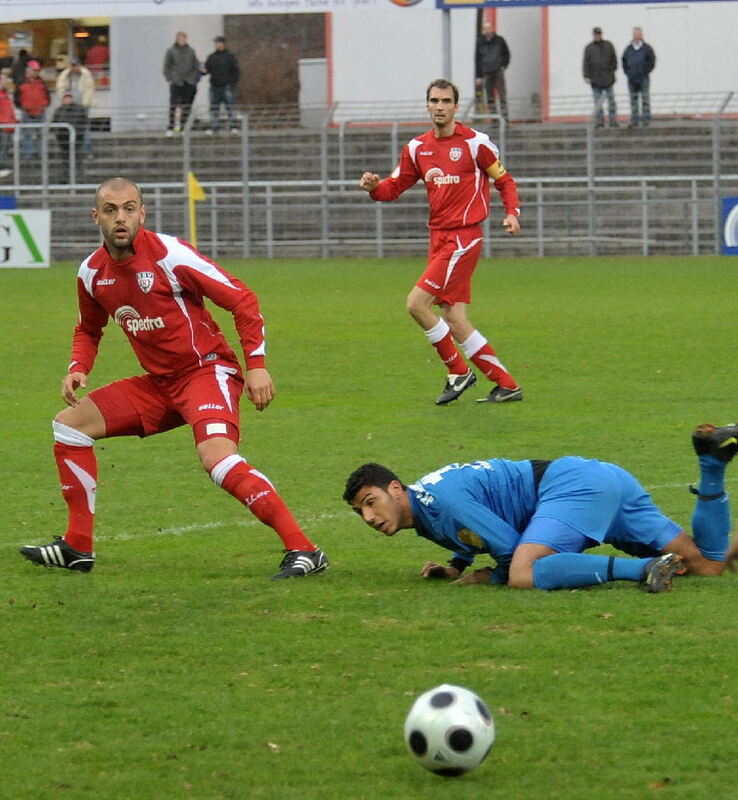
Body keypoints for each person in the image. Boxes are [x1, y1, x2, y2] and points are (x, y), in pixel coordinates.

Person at [19, 177, 328, 581]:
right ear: (96, 217)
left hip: (207, 372)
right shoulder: (92, 272)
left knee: (216, 458)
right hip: (160, 384)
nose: (121, 217)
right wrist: (78, 367)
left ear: (142, 214)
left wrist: (256, 364)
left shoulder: (171, 254)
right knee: (69, 428)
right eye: (111, 210)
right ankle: (77, 546)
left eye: (130, 208)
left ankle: (305, 549)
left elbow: (242, 299)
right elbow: (88, 329)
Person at [343, 422, 736, 592]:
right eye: (361, 513)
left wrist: (491, 577)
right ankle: (711, 463)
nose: (370, 517)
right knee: (708, 565)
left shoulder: (441, 500)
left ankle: (644, 569)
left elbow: (507, 544)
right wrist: (456, 565)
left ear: (396, 489)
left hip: (571, 488)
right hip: (602, 480)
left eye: (370, 502)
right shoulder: (427, 500)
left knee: (522, 572)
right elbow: (468, 528)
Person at [358, 79, 522, 406]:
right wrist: (373, 187)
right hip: (439, 238)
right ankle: (506, 384)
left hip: (463, 238)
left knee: (417, 304)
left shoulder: (476, 144)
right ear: (427, 105)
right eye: (434, 100)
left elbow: (504, 180)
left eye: (446, 101)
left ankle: (458, 371)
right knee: (456, 320)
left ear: (456, 107)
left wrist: (512, 212)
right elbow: (393, 188)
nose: (440, 106)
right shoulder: (418, 149)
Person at [55, 57, 95, 158]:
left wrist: (85, 103)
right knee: (69, 129)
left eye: (75, 65)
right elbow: (60, 87)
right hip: (70, 106)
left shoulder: (86, 74)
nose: (74, 68)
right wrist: (64, 99)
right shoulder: (65, 75)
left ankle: (87, 150)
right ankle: (71, 150)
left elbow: (89, 89)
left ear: (79, 65)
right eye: (72, 65)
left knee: (84, 128)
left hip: (82, 106)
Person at [163, 32, 200, 136]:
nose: (182, 40)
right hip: (176, 82)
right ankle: (171, 126)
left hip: (188, 82)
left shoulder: (191, 51)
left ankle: (183, 127)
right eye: (180, 38)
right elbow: (167, 66)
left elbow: (195, 66)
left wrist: (192, 79)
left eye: (183, 38)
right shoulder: (171, 51)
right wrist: (170, 78)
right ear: (177, 39)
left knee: (187, 105)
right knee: (173, 105)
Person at [474, 19, 510, 122]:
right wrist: (478, 76)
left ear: (492, 29)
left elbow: (506, 54)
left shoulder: (500, 40)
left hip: (498, 71)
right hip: (486, 72)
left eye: (489, 28)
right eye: (485, 28)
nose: (487, 30)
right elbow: (477, 59)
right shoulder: (480, 42)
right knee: (489, 97)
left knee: (502, 96)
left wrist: (504, 65)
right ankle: (494, 120)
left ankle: (505, 119)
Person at [204, 35, 240, 135]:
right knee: (214, 108)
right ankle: (214, 128)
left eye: (219, 43)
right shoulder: (211, 57)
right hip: (214, 87)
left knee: (230, 107)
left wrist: (232, 83)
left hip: (227, 87)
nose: (217, 45)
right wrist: (202, 71)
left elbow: (236, 71)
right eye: (216, 43)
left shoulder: (230, 56)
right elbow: (207, 70)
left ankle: (233, 127)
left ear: (223, 44)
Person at [583, 27, 618, 128]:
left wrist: (611, 71)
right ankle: (600, 122)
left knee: (611, 102)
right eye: (595, 34)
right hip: (595, 80)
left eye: (598, 34)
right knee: (598, 103)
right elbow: (586, 63)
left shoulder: (608, 45)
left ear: (601, 34)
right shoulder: (589, 48)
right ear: (593, 35)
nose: (597, 36)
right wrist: (586, 76)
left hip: (608, 80)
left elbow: (614, 60)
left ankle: (613, 121)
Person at [14, 59, 50, 158]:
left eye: (37, 71)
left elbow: (47, 96)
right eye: (34, 70)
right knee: (27, 134)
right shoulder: (21, 82)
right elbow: (16, 97)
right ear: (28, 71)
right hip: (27, 112)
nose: (36, 72)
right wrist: (23, 107)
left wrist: (44, 105)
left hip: (40, 111)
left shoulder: (42, 82)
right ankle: (28, 154)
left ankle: (41, 154)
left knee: (41, 135)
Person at [622, 27, 656, 129]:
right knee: (633, 100)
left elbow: (652, 61)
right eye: (635, 34)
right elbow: (624, 61)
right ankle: (634, 121)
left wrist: (645, 71)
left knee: (645, 100)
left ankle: (646, 121)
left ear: (641, 35)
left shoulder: (647, 48)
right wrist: (628, 73)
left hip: (643, 78)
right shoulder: (628, 49)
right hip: (631, 79)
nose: (637, 36)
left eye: (638, 34)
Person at [52, 93, 87, 182]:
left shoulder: (79, 109)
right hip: (63, 140)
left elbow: (83, 122)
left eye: (69, 98)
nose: (67, 100)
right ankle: (65, 177)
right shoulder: (59, 110)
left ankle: (79, 178)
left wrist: (79, 134)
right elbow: (54, 123)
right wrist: (58, 134)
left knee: (77, 159)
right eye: (65, 98)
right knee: (65, 160)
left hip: (77, 139)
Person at [0, 73, 16, 178]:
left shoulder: (5, 95)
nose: (6, 82)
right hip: (2, 127)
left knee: (5, 149)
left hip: (8, 127)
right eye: (4, 80)